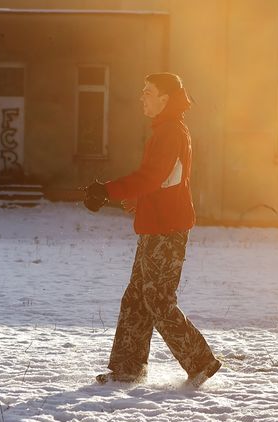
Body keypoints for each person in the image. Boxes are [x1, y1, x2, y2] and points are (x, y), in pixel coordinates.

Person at [84, 72, 221, 385]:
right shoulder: (166, 129)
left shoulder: (171, 131)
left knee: (157, 298)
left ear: (166, 99)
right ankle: (127, 370)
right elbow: (163, 181)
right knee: (136, 298)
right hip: (157, 225)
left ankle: (201, 361)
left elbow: (151, 176)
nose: (142, 97)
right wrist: (135, 199)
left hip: (167, 229)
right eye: (142, 91)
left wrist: (109, 190)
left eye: (148, 92)